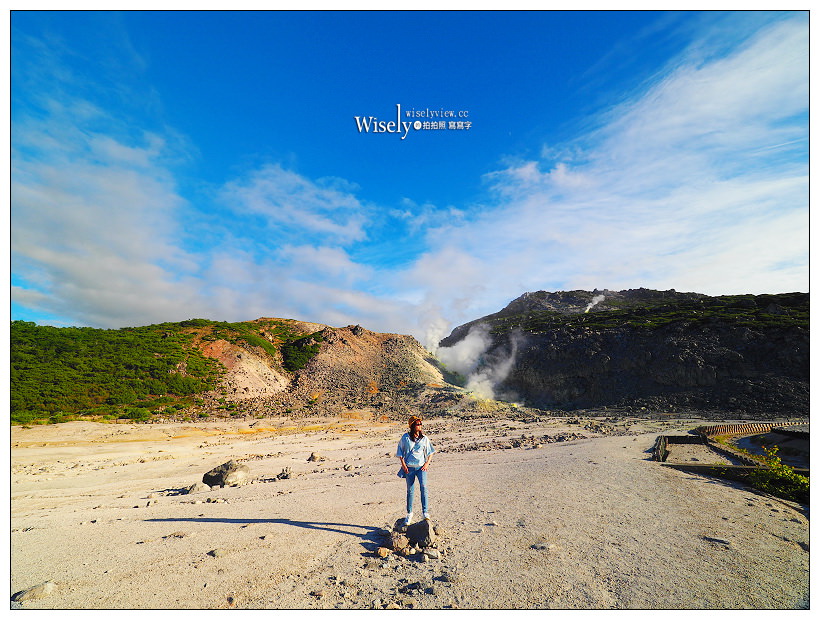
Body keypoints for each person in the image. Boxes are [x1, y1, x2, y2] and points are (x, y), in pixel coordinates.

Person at [396, 415, 435, 527]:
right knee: (410, 490)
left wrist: (427, 463)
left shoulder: (424, 438)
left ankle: (425, 512)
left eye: (420, 424)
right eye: (418, 424)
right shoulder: (405, 438)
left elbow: (430, 451)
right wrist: (403, 465)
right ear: (412, 426)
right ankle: (409, 514)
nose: (420, 426)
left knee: (424, 487)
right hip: (409, 468)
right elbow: (400, 451)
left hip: (421, 467)